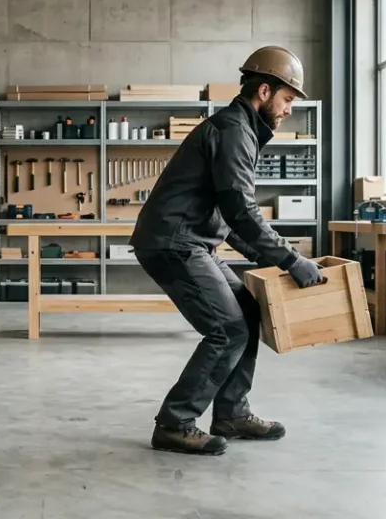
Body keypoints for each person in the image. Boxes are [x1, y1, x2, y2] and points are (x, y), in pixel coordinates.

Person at [129, 45, 326, 456]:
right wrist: (290, 259)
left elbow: (223, 210)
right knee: (227, 328)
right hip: (174, 243)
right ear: (265, 91)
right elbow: (240, 207)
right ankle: (174, 422)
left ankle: (232, 412)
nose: (290, 109)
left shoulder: (241, 128)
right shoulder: (235, 130)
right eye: (288, 99)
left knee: (247, 313)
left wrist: (265, 255)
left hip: (190, 240)